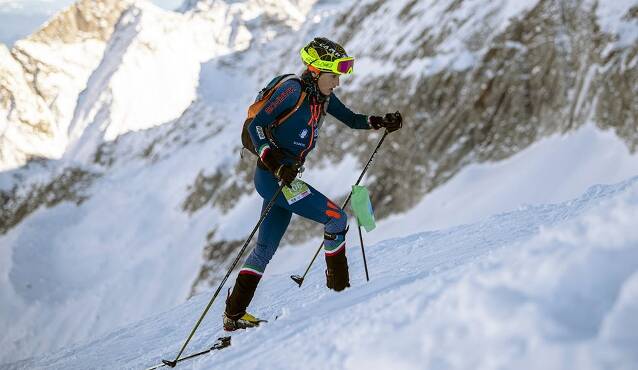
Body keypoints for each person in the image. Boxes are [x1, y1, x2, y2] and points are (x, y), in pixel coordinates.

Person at [223, 37, 403, 331]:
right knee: (336, 217)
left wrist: (381, 121)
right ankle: (341, 295)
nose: (338, 83)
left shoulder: (323, 97)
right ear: (317, 71)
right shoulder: (292, 90)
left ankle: (234, 315)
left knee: (265, 249)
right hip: (273, 176)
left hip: (284, 177)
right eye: (334, 76)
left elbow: (353, 120)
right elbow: (257, 126)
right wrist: (275, 162)